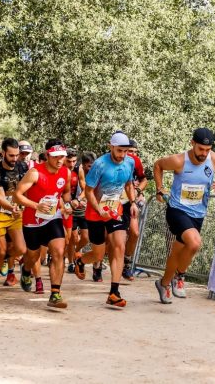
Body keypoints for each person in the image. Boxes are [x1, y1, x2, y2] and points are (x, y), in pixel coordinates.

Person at [153, 127, 215, 304]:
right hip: (177, 209)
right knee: (194, 243)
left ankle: (163, 284)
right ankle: (180, 276)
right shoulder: (179, 161)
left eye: (208, 150)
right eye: (201, 149)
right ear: (192, 143)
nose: (204, 153)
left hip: (198, 213)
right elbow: (158, 165)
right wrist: (160, 188)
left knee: (177, 251)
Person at [74, 131, 138, 308]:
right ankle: (80, 260)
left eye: (125, 151)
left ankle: (114, 292)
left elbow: (128, 184)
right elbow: (88, 191)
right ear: (111, 147)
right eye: (119, 151)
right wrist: (98, 208)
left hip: (115, 210)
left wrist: (132, 202)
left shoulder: (130, 162)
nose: (122, 155)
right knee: (98, 254)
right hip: (95, 213)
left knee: (119, 246)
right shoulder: (100, 165)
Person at [14, 139, 72, 308]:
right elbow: (18, 195)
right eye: (55, 157)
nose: (60, 160)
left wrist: (67, 206)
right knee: (33, 256)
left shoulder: (66, 173)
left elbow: (66, 193)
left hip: (53, 218)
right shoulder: (35, 173)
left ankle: (55, 294)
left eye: (62, 156)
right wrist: (36, 205)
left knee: (59, 251)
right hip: (32, 221)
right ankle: (26, 270)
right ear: (47, 155)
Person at [0, 138, 27, 296]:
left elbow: (25, 189)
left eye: (17, 155)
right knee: (1, 249)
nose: (15, 159)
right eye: (11, 155)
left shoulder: (22, 166)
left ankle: (1, 259)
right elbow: (1, 197)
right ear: (3, 153)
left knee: (21, 248)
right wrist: (12, 207)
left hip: (16, 214)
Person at [121, 139, 148, 281]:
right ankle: (98, 264)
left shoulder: (136, 162)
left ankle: (126, 263)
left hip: (130, 201)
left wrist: (137, 190)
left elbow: (145, 180)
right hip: (113, 202)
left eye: (134, 152)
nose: (132, 154)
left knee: (135, 232)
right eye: (129, 151)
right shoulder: (114, 159)